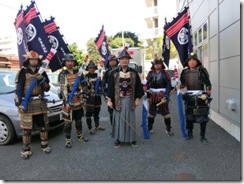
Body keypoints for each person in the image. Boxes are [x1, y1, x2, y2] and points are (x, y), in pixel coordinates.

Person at [15, 50, 52, 159]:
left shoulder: (42, 72)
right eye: (32, 59)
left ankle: (44, 145)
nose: (34, 61)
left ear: (38, 61)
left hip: (40, 103)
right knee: (26, 129)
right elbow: (18, 89)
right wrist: (18, 104)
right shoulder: (22, 72)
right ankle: (26, 150)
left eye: (36, 59)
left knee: (43, 127)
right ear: (28, 60)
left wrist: (42, 81)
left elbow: (47, 88)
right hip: (27, 103)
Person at [107, 49, 144, 148]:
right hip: (117, 100)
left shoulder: (134, 73)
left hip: (130, 99)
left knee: (130, 119)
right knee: (119, 120)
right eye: (122, 59)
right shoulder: (113, 73)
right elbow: (110, 88)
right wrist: (109, 100)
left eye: (126, 59)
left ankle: (132, 139)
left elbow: (138, 87)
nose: (124, 61)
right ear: (119, 60)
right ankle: (118, 139)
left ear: (128, 60)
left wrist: (137, 98)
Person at [179, 52, 212, 144]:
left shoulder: (202, 70)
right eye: (190, 60)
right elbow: (183, 84)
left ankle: (203, 136)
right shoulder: (184, 72)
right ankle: (190, 133)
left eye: (194, 60)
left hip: (200, 97)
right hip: (189, 97)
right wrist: (179, 88)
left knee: (203, 118)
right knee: (189, 117)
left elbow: (208, 85)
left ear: (197, 61)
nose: (192, 62)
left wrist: (207, 96)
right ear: (187, 62)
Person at [59, 53, 88, 149]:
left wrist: (84, 93)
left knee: (79, 120)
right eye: (68, 61)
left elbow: (84, 84)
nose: (70, 63)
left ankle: (80, 136)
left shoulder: (78, 72)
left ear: (74, 62)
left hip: (78, 99)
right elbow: (63, 89)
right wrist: (66, 101)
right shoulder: (63, 74)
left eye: (71, 61)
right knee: (68, 123)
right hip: (69, 100)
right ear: (65, 62)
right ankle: (68, 140)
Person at [146, 57, 174, 136]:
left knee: (166, 113)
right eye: (156, 64)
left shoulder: (166, 73)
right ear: (153, 65)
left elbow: (169, 85)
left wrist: (166, 94)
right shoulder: (150, 73)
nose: (157, 65)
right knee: (151, 113)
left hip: (162, 95)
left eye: (159, 64)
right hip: (152, 95)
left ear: (161, 64)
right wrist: (147, 92)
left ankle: (168, 129)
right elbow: (147, 84)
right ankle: (150, 128)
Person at [83, 60, 105, 135]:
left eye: (93, 67)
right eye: (90, 67)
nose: (92, 69)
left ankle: (97, 125)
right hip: (89, 98)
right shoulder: (86, 76)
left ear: (95, 68)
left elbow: (101, 85)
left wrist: (100, 81)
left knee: (97, 113)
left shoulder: (97, 75)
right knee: (88, 114)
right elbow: (84, 87)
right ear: (88, 68)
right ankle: (90, 128)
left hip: (97, 97)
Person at [102, 55, 119, 125]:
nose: (112, 62)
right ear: (109, 62)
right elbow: (103, 85)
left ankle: (122, 130)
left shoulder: (120, 70)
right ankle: (114, 129)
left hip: (120, 95)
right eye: (111, 61)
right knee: (111, 113)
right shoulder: (106, 73)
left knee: (120, 112)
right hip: (110, 95)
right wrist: (105, 95)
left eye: (114, 60)